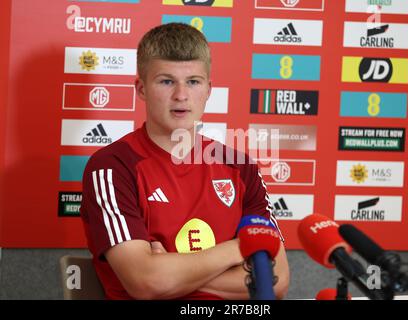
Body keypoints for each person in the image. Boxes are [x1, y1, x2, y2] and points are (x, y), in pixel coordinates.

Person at [80, 22, 290, 300]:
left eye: (193, 82)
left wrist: (172, 272)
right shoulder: (112, 166)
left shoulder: (241, 167)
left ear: (208, 89)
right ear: (141, 89)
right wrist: (237, 249)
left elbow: (276, 281)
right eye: (166, 81)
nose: (181, 95)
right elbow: (147, 282)